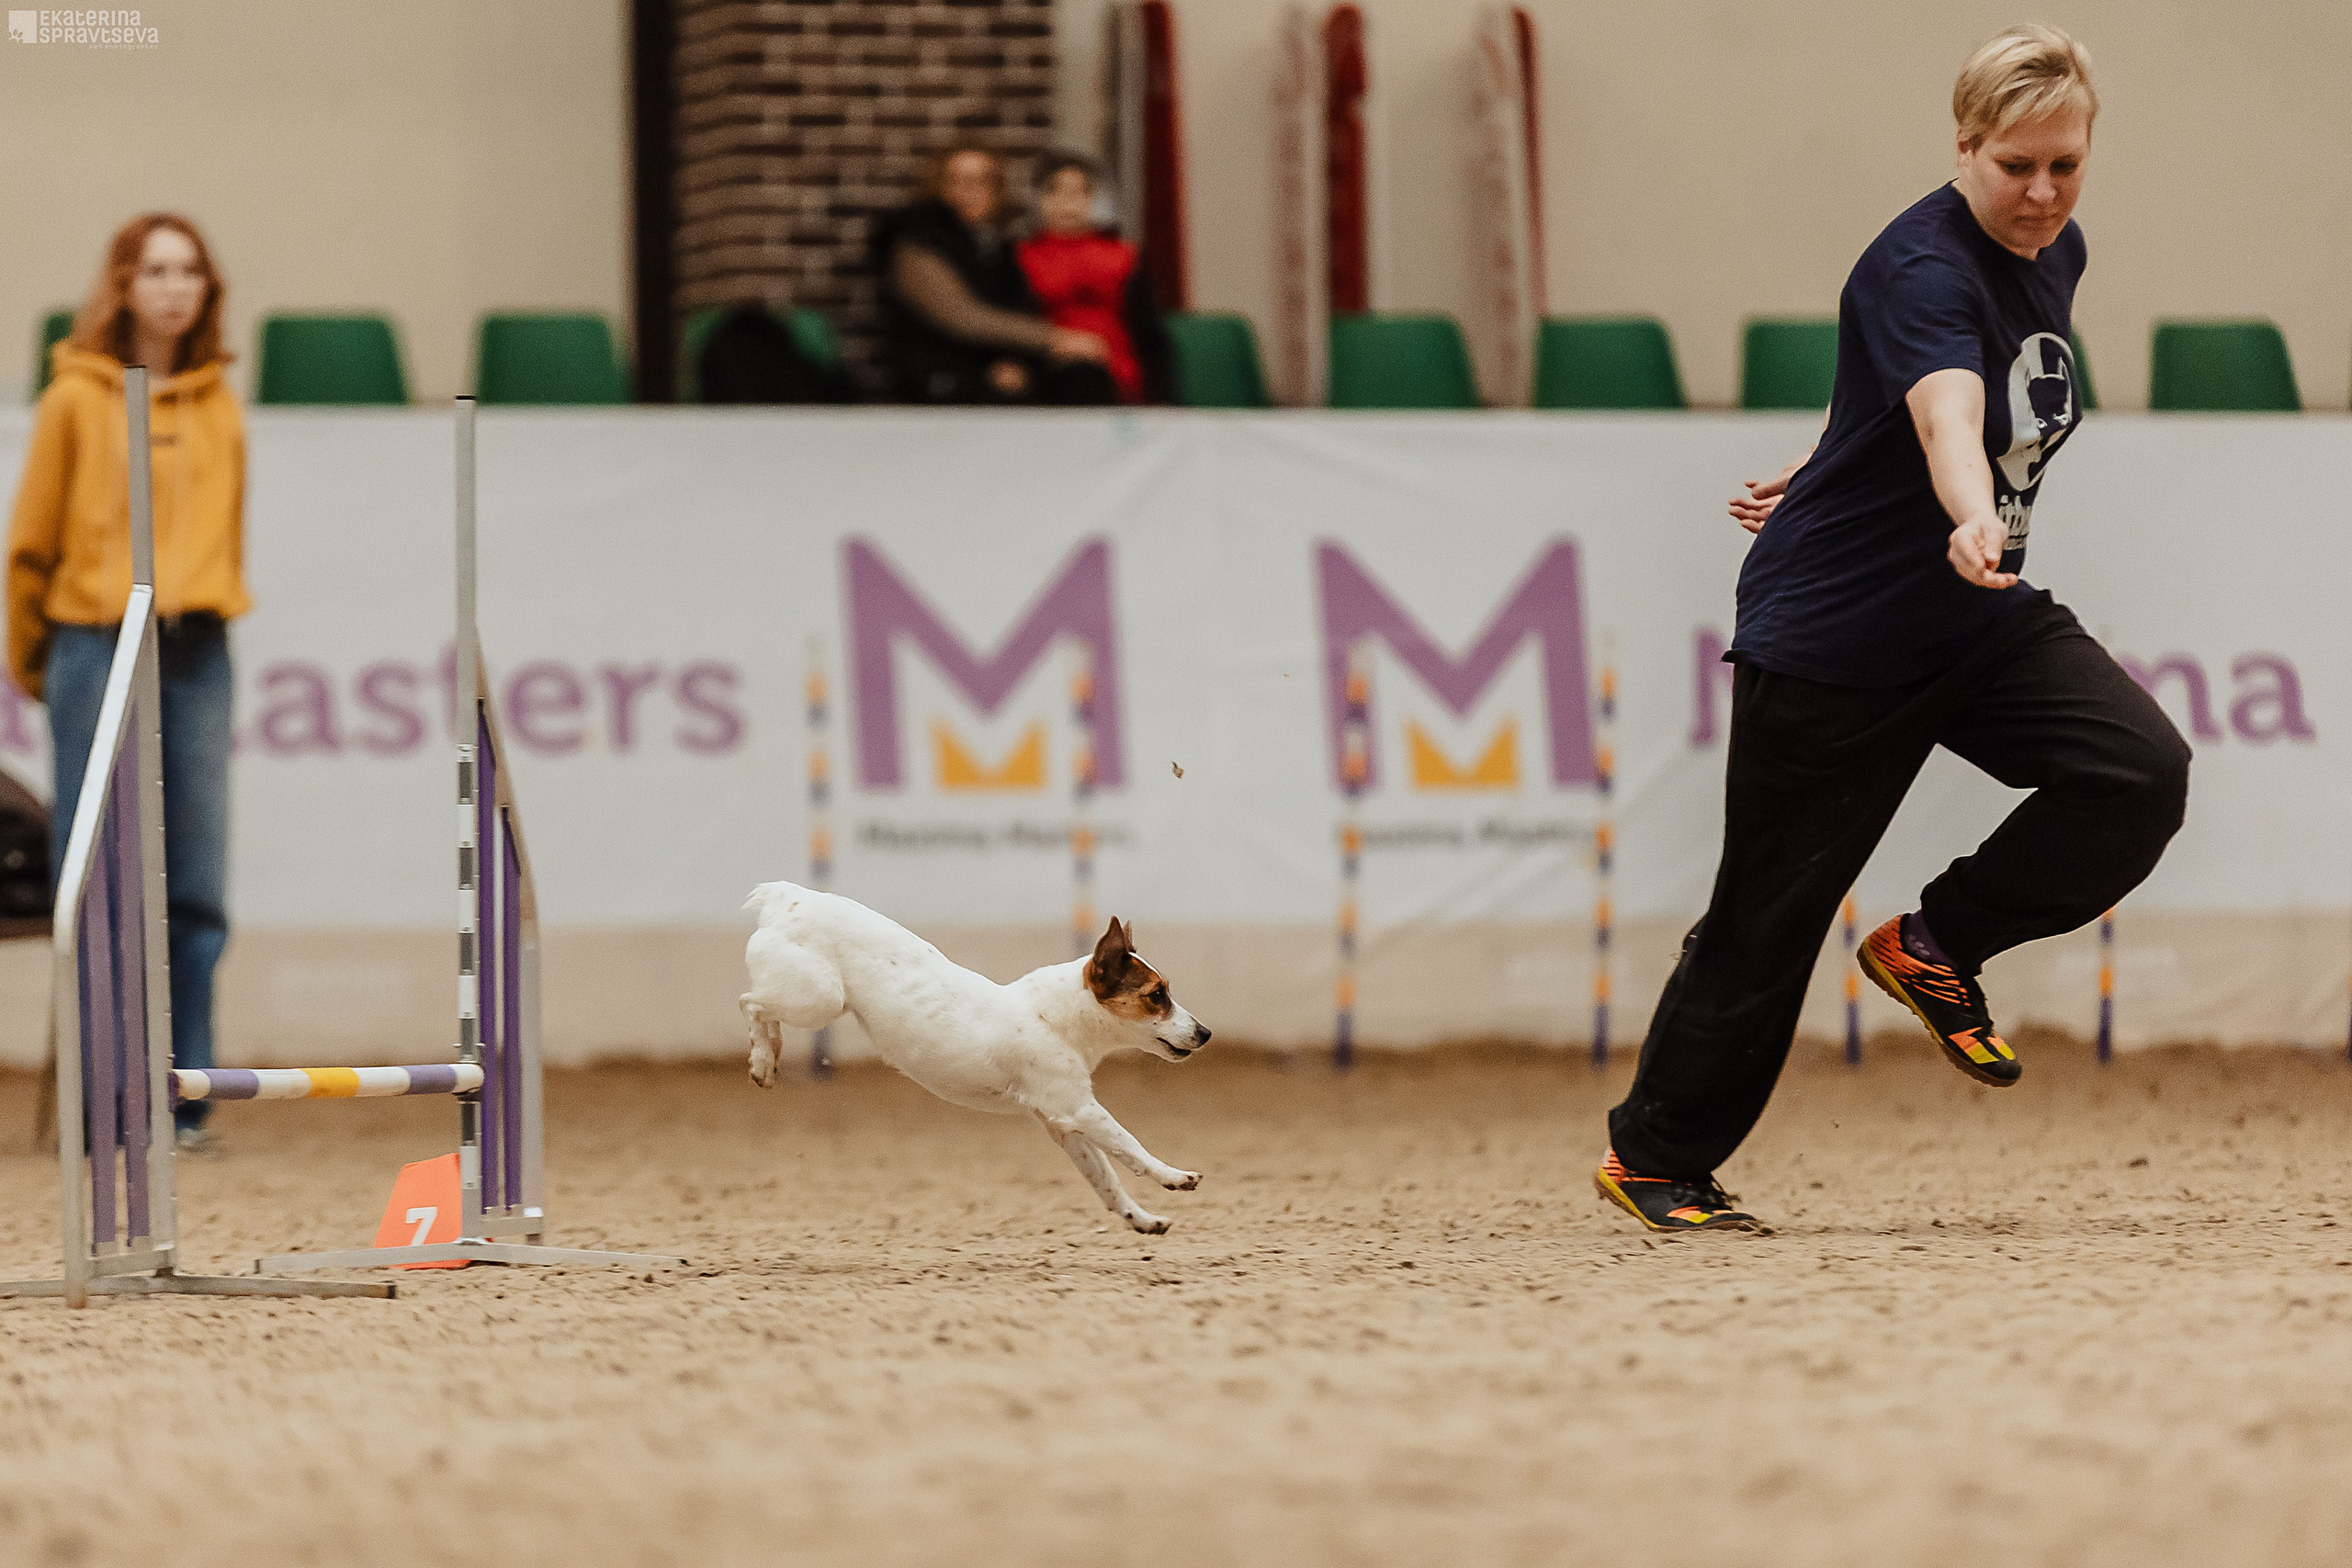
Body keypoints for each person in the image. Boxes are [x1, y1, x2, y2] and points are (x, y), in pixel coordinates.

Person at [1595, 25, 2188, 1233]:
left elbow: (1893, 390)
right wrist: (1971, 513)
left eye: (2065, 165)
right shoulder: (1922, 264)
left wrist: (1819, 462)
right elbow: (1943, 414)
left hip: (1969, 615)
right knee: (1769, 908)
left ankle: (1934, 942)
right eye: (2015, 165)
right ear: (1963, 145)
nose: (2041, 192)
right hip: (1840, 636)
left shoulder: (2054, 248)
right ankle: (1655, 1157)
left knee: (2137, 770)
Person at [7, 213, 248, 1153]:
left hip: (197, 649)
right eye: (154, 269)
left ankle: (184, 1097)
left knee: (194, 885)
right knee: (97, 874)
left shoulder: (222, 402)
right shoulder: (74, 398)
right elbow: (30, 544)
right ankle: (105, 1094)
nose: (173, 287)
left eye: (189, 269)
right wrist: (40, 659)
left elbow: (229, 533)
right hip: (92, 641)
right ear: (123, 284)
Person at [871, 145, 1113, 404]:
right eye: (958, 180)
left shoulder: (996, 246)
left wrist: (1016, 361)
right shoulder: (918, 245)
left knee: (1083, 376)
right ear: (938, 186)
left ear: (997, 191)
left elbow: (1016, 308)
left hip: (998, 372)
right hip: (940, 379)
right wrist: (1055, 339)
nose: (970, 190)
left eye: (983, 181)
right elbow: (963, 318)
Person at [1015, 152, 1173, 406]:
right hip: (1047, 367)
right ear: (1039, 198)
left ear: (1093, 199)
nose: (1067, 203)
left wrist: (1164, 399)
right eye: (1055, 191)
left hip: (1118, 368)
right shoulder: (1020, 258)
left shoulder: (1124, 256)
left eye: (1079, 192)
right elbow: (1015, 324)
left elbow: (1150, 332)